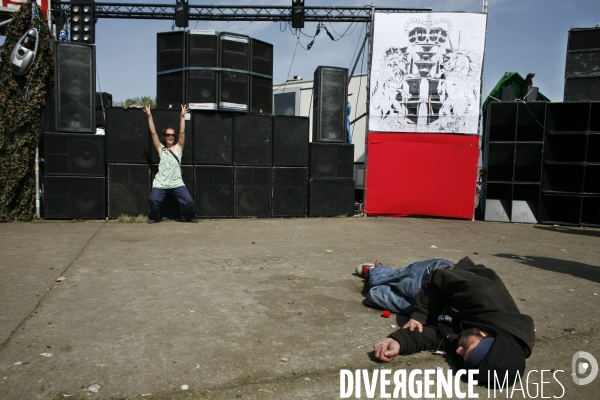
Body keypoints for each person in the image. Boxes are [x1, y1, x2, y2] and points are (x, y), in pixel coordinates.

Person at [358, 257, 535, 387]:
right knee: (380, 279)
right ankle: (375, 269)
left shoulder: (475, 339)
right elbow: (437, 279)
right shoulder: (483, 293)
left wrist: (400, 341)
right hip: (436, 280)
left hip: (439, 308)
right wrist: (419, 316)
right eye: (466, 348)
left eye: (462, 355)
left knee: (374, 296)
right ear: (486, 334)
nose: (458, 350)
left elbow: (436, 336)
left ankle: (380, 276)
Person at [143, 104, 197, 224]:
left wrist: (182, 117)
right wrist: (149, 116)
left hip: (176, 181)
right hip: (161, 182)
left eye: (173, 135)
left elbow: (182, 133)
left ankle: (189, 216)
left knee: (188, 201)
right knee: (154, 200)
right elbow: (153, 133)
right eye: (168, 135)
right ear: (164, 136)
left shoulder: (178, 148)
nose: (171, 137)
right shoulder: (160, 148)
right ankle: (155, 217)